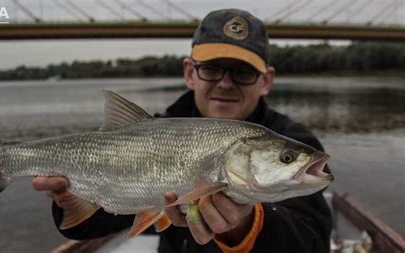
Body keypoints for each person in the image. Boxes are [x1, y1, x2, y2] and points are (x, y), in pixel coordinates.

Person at [32, 8, 332, 253]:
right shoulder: (156, 131)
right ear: (190, 73)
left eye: (242, 72)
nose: (225, 83)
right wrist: (70, 197)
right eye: (212, 69)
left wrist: (247, 224)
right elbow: (90, 227)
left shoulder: (294, 140)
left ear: (265, 81)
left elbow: (313, 242)